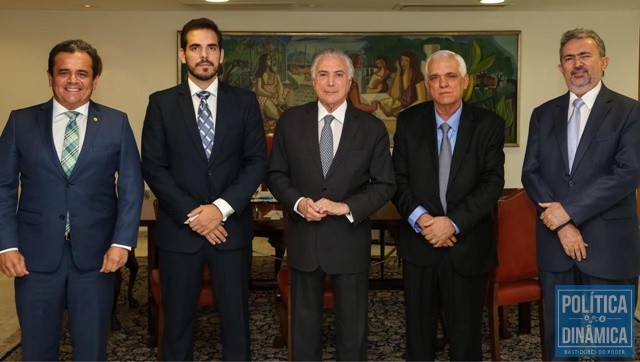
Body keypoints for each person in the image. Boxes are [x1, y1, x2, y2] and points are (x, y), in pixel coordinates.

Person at [0, 39, 143, 360]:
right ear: (50, 76)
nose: (73, 80)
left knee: (91, 349)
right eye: (64, 72)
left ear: (95, 80)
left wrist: (122, 243)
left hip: (97, 259)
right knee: (36, 350)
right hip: (33, 259)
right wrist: (6, 245)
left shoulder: (116, 123)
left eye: (82, 73)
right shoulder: (20, 122)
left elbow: (132, 186)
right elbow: (3, 186)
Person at [141, 18, 267, 360]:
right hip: (180, 234)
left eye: (211, 47)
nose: (204, 55)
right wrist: (195, 215)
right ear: (183, 55)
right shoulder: (162, 103)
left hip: (231, 231)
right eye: (195, 47)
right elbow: (154, 166)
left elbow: (255, 162)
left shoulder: (244, 101)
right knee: (177, 325)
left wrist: (219, 209)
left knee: (236, 322)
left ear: (222, 54)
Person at [266, 49, 395, 360]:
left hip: (349, 240)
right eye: (323, 74)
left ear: (350, 81)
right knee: (304, 328)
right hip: (304, 239)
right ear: (312, 81)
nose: (330, 82)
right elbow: (276, 174)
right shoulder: (290, 122)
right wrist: (297, 202)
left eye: (338, 75)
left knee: (352, 330)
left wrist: (345, 207)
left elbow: (385, 184)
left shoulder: (371, 128)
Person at [521, 28, 640, 360]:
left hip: (608, 250)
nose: (577, 64)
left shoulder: (630, 112)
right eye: (569, 58)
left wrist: (567, 212)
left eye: (584, 56)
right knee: (561, 349)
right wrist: (562, 225)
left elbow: (628, 172)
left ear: (603, 61)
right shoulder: (543, 114)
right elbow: (530, 172)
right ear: (560, 67)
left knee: (610, 350)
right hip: (556, 249)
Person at [392, 49, 505, 360]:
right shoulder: (408, 121)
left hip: (466, 245)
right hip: (420, 243)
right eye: (435, 78)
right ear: (428, 84)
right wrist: (423, 220)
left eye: (450, 76)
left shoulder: (488, 124)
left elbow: (492, 183)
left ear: (465, 81)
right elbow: (397, 179)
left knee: (466, 336)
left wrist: (450, 223)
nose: (443, 84)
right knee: (418, 334)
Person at [379, 50, 427, 118]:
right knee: (383, 111)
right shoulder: (401, 75)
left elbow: (422, 100)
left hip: (414, 108)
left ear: (412, 62)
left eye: (406, 61)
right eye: (401, 60)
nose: (403, 63)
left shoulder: (418, 77)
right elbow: (394, 95)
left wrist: (403, 111)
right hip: (402, 106)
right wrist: (398, 71)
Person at [254, 53, 292, 122]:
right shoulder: (259, 75)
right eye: (267, 59)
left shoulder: (275, 74)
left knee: (289, 91)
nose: (269, 61)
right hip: (264, 95)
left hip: (275, 94)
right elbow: (258, 90)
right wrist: (269, 94)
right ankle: (281, 117)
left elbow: (280, 86)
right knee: (267, 103)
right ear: (263, 61)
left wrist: (280, 97)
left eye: (270, 59)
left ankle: (289, 112)